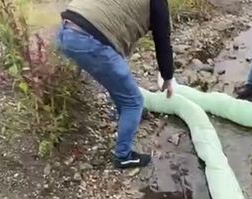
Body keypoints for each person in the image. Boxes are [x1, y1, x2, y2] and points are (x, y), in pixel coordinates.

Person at [57, 0, 175, 169]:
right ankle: (123, 156)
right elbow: (163, 41)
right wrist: (168, 77)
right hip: (89, 40)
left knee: (117, 81)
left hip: (65, 31)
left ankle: (128, 114)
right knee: (134, 102)